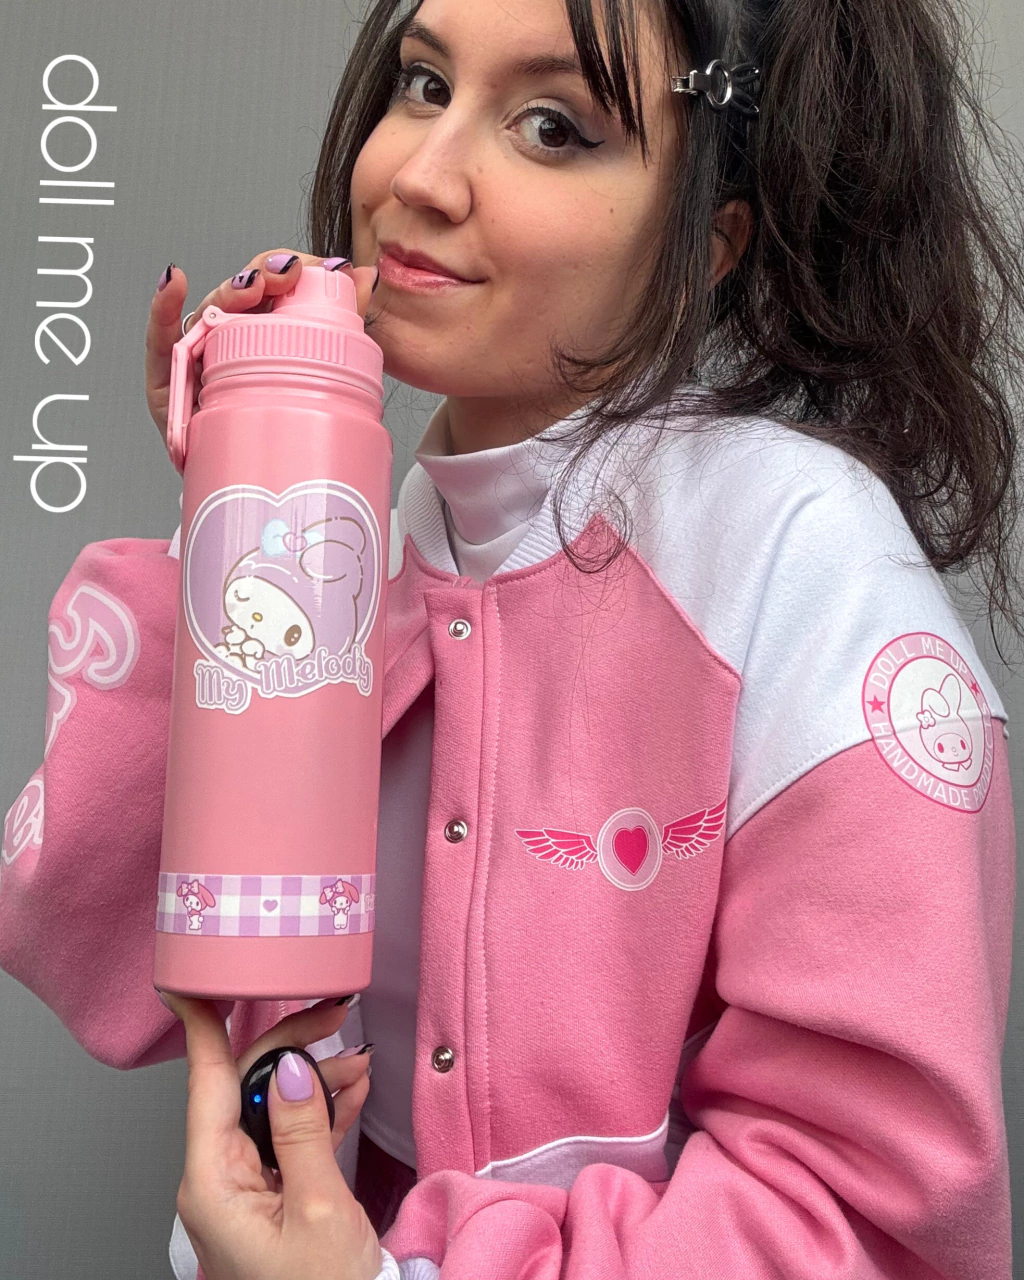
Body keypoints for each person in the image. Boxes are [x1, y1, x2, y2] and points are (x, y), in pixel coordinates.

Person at [2, 0, 1022, 1276]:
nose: (419, 178)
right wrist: (232, 509)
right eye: (423, 85)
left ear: (706, 244)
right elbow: (94, 941)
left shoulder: (800, 561)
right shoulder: (359, 541)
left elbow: (872, 1213)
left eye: (551, 126)